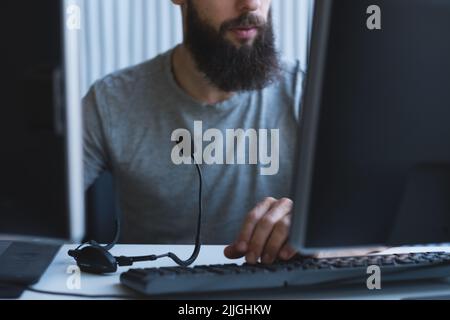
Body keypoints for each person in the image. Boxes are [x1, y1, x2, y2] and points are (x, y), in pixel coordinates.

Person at [83, 0, 304, 265]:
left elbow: (366, 228)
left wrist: (321, 235)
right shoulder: (111, 101)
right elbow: (32, 215)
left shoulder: (310, 95)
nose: (251, 4)